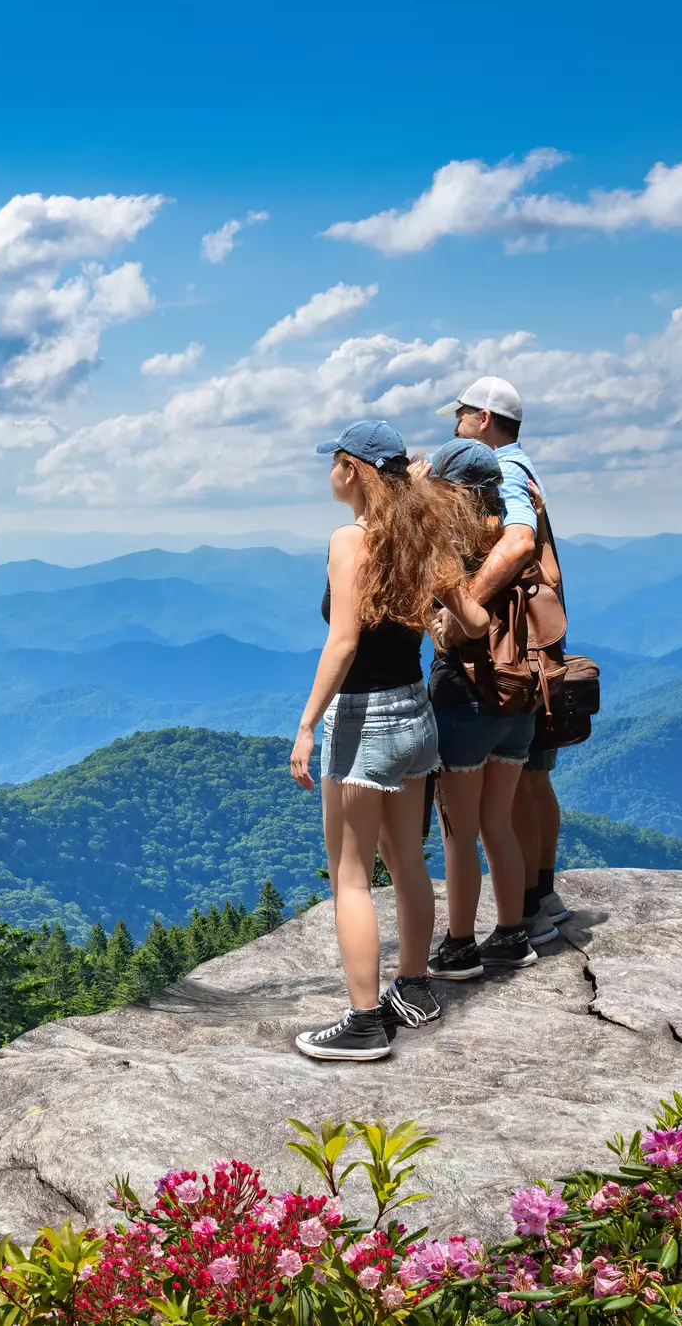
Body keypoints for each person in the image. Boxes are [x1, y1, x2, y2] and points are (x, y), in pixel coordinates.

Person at [289, 420, 459, 1063]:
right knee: (407, 860)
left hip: (366, 720)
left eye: (333, 463)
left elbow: (344, 641)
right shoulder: (419, 537)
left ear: (352, 469)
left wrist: (308, 724)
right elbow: (466, 619)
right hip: (417, 715)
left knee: (351, 878)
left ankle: (364, 1023)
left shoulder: (349, 538)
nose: (329, 474)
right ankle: (412, 987)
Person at [432, 376, 567, 941]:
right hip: (536, 648)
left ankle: (526, 910)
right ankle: (539, 898)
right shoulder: (526, 466)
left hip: (499, 657)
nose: (455, 423)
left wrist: (462, 609)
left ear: (484, 418)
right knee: (530, 778)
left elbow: (515, 544)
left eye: (461, 415)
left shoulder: (503, 471)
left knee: (493, 807)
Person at [419, 438, 534, 979]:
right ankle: (512, 934)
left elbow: (454, 621)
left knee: (459, 832)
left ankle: (460, 945)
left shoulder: (453, 544)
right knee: (498, 825)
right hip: (521, 693)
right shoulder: (514, 535)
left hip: (464, 695)